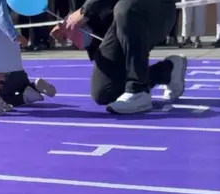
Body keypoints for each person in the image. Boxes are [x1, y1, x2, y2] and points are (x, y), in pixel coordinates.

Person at [51, 0, 188, 114]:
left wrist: (85, 11)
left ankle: (138, 89)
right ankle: (166, 71)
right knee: (105, 92)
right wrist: (78, 31)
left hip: (152, 9)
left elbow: (89, 9)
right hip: (119, 20)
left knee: (127, 8)